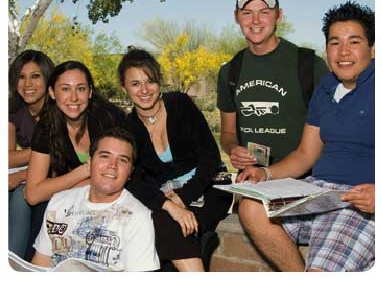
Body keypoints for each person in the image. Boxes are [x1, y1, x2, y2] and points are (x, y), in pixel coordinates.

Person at [236, 1, 375, 271]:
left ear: (373, 48)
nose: (343, 51)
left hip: (360, 200)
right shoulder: (325, 87)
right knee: (251, 206)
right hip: (319, 192)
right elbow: (305, 155)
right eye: (335, 43)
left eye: (354, 42)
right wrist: (265, 174)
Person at [118, 48, 232, 272]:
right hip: (166, 195)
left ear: (159, 81)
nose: (144, 90)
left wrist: (183, 197)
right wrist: (169, 204)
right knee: (158, 223)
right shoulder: (128, 128)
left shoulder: (180, 104)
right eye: (135, 84)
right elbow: (135, 180)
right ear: (125, 88)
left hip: (208, 183)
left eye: (150, 81)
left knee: (164, 225)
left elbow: (210, 155)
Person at [217, 0, 328, 170]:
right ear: (237, 17)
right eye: (247, 13)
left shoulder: (310, 66)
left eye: (264, 12)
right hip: (254, 182)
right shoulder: (229, 72)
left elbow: (332, 133)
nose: (255, 21)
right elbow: (227, 133)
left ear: (279, 15)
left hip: (304, 182)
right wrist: (233, 149)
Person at [24, 60, 128, 261]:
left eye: (80, 89)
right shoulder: (47, 127)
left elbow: (122, 172)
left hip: (116, 193)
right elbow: (33, 194)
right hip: (75, 199)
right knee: (45, 212)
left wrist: (78, 184)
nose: (73, 98)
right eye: (65, 89)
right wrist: (82, 173)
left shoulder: (108, 117)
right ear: (52, 93)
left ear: (90, 92)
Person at [32, 127, 160, 271]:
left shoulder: (138, 217)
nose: (112, 165)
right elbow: (40, 263)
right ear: (90, 162)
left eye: (123, 160)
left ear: (130, 172)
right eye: (105, 156)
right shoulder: (59, 202)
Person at [8, 50, 55, 258]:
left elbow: (60, 161)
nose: (27, 84)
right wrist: (40, 151)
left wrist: (20, 176)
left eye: (35, 76)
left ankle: (14, 262)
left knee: (21, 195)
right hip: (32, 170)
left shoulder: (59, 110)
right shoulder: (13, 111)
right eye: (21, 76)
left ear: (47, 78)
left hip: (55, 176)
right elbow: (7, 158)